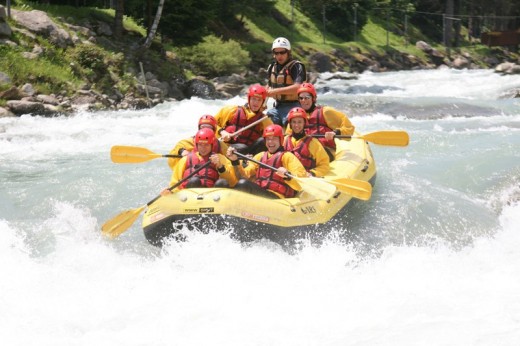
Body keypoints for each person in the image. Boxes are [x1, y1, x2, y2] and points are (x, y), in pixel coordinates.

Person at [226, 124, 307, 199]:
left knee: (243, 184)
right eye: (268, 139)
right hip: (261, 194)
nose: (270, 142)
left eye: (274, 139)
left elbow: (301, 182)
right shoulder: (260, 156)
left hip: (278, 198)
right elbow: (243, 177)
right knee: (241, 183)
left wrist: (288, 175)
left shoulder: (287, 156)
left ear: (281, 140)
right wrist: (235, 161)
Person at [161, 128, 237, 195]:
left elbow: (232, 182)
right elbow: (174, 183)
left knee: (222, 183)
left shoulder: (220, 158)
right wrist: (170, 192)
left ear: (212, 145)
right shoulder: (185, 159)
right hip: (190, 198)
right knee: (194, 181)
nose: (203, 148)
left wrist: (220, 167)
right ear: (196, 145)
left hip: (212, 196)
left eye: (206, 145)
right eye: (200, 145)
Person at [296, 82, 355, 161]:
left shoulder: (326, 112)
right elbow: (288, 136)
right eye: (301, 98)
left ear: (314, 98)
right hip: (304, 150)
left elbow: (349, 127)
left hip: (325, 150)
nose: (304, 100)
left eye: (307, 97)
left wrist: (335, 133)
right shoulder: (297, 116)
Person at [215, 84, 273, 155]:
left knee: (263, 141)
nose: (256, 103)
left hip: (249, 152)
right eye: (254, 99)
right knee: (242, 147)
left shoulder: (264, 120)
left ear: (263, 102)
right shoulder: (231, 110)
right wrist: (222, 132)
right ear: (248, 98)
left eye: (259, 100)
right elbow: (211, 124)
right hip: (227, 147)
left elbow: (274, 138)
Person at [266, 37, 307, 127]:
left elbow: (298, 87)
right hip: (277, 106)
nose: (279, 56)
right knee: (265, 124)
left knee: (291, 127)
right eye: (276, 53)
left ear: (288, 52)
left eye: (282, 52)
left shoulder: (296, 66)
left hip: (295, 106)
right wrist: (262, 104)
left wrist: (275, 91)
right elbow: (268, 87)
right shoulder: (271, 67)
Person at [284, 107, 330, 177]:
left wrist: (312, 173)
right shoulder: (284, 140)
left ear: (304, 123)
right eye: (294, 122)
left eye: (299, 122)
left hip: (305, 178)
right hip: (287, 177)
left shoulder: (313, 143)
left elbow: (324, 164)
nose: (296, 125)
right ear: (290, 124)